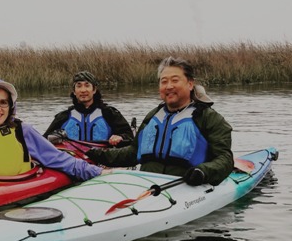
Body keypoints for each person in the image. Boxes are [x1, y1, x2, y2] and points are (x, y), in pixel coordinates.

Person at [85, 57, 233, 186]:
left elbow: (224, 159)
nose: (169, 86)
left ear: (190, 84)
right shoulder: (153, 116)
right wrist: (97, 154)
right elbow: (133, 153)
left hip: (188, 186)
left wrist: (203, 172)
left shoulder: (208, 118)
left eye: (175, 80)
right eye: (164, 81)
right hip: (147, 185)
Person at [44, 70, 133, 146]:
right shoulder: (63, 117)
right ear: (74, 91)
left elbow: (130, 137)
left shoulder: (109, 114)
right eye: (79, 86)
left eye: (87, 85)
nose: (83, 90)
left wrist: (120, 137)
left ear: (94, 90)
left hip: (103, 162)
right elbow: (43, 141)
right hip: (72, 162)